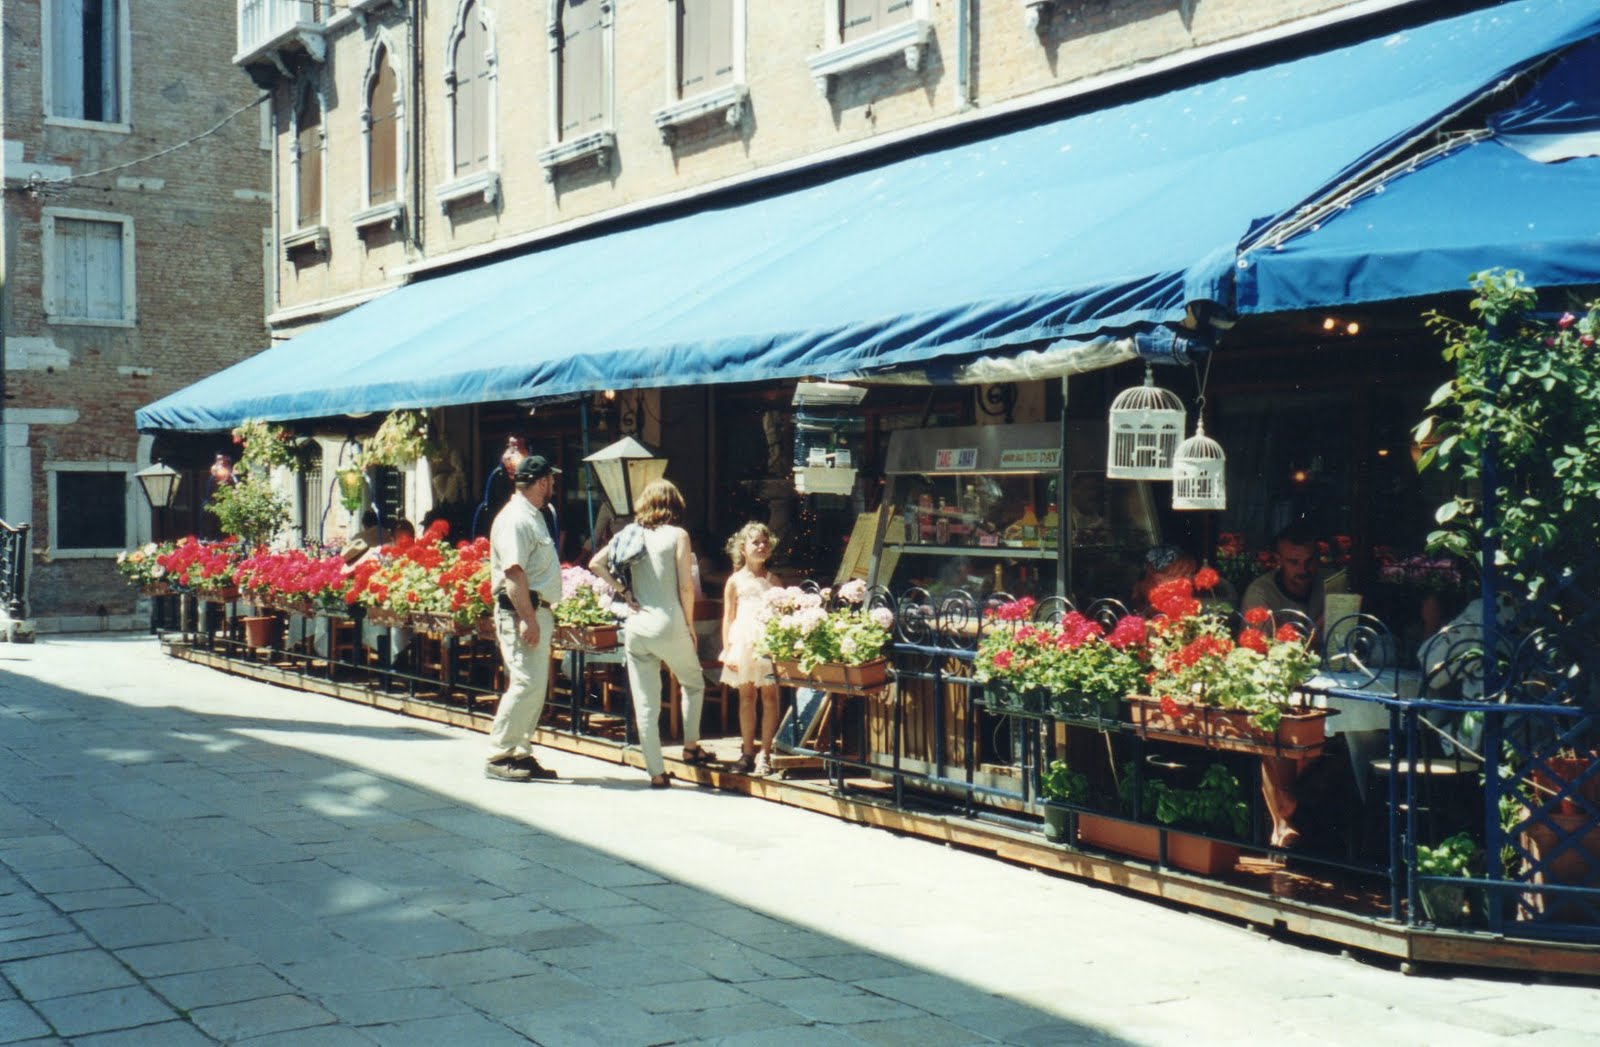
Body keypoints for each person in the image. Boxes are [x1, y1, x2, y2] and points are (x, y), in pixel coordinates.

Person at [590, 479, 709, 788]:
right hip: (669, 621)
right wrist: (690, 626)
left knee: (646, 704)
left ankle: (656, 772)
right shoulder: (678, 535)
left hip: (638, 625)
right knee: (693, 683)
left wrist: (624, 591)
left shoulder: (631, 533)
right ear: (674, 505)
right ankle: (691, 746)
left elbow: (595, 563)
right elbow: (685, 585)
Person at [484, 455, 564, 783]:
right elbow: (514, 574)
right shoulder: (517, 518)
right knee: (525, 684)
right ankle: (499, 753)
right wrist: (528, 618)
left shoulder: (533, 515)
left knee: (533, 685)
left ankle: (520, 751)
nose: (554, 485)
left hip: (536, 610)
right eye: (551, 479)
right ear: (542, 481)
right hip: (522, 611)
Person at [720, 522, 780, 776]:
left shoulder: (773, 581)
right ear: (743, 548)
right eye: (755, 542)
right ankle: (747, 751)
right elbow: (728, 616)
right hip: (743, 642)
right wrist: (726, 649)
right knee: (746, 696)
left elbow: (779, 614)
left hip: (766, 643)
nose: (761, 546)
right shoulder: (735, 581)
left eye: (765, 542)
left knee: (770, 696)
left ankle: (765, 753)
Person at [1242, 523, 1326, 627]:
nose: (1303, 569)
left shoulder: (1329, 584)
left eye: (1309, 561)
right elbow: (1256, 640)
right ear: (1279, 560)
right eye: (1294, 562)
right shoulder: (1260, 593)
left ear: (1318, 558)